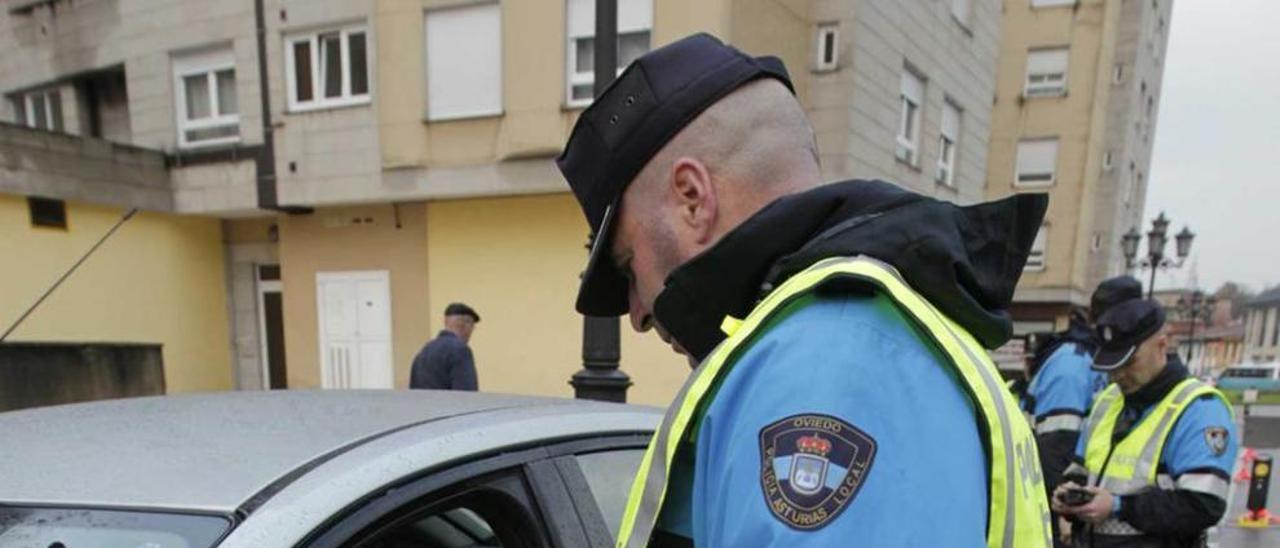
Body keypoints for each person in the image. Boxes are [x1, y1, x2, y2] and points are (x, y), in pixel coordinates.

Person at [557, 33, 1051, 546]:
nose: (637, 312)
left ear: (691, 198)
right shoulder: (870, 336)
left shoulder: (830, 361)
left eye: (628, 264)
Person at [1053, 299, 1236, 547]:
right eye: (1111, 365)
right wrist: (1069, 496)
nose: (1118, 375)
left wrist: (1118, 506)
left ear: (1162, 345)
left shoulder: (1199, 408)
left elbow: (1204, 505)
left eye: (1129, 363)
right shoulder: (1109, 400)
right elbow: (1081, 469)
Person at [1024, 277, 1143, 528]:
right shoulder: (1073, 365)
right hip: (1053, 508)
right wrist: (1064, 515)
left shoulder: (1094, 360)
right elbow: (1056, 447)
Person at [409, 303, 480, 391]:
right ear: (465, 324)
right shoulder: (460, 350)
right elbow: (467, 393)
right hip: (449, 404)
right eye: (472, 326)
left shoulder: (424, 351)